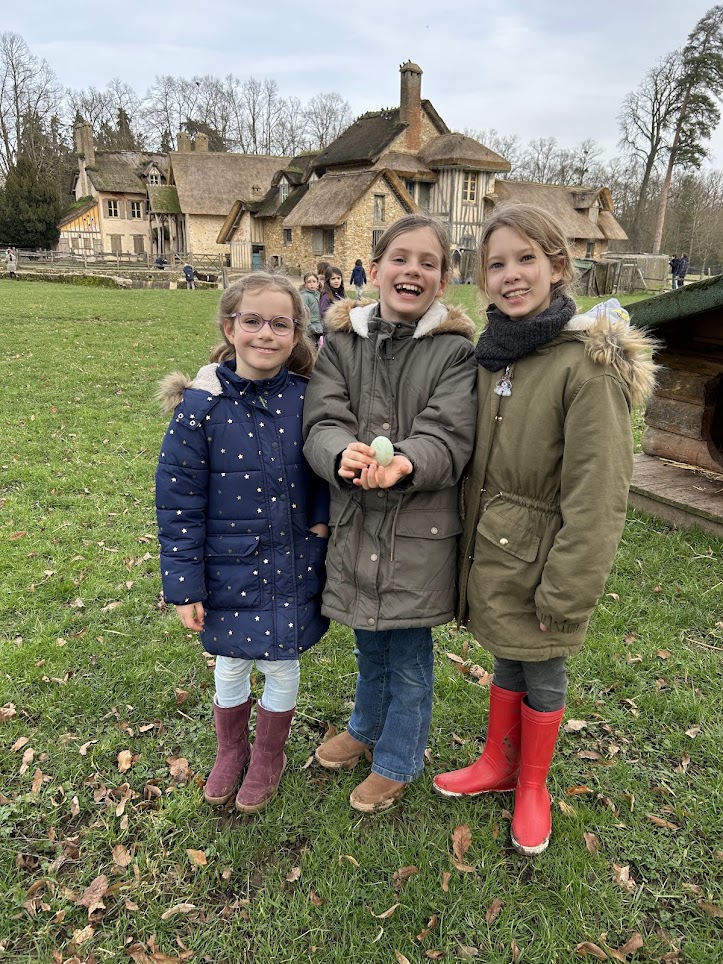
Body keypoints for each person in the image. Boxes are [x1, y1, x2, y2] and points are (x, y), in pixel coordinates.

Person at [432, 203, 657, 856]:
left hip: (545, 560)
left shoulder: (584, 367)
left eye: (525, 259)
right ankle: (497, 763)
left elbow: (598, 496)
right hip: (495, 550)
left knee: (543, 667)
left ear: (557, 267)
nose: (510, 275)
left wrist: (565, 591)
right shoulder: (492, 356)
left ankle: (530, 785)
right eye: (496, 263)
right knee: (506, 654)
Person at [303, 214, 478, 813]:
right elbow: (322, 421)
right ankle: (364, 725)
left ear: (443, 281)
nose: (413, 271)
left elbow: (449, 435)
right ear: (374, 271)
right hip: (357, 522)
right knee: (367, 638)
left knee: (406, 652)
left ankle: (399, 757)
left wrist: (405, 460)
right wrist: (338, 453)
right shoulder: (342, 343)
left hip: (419, 531)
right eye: (400, 259)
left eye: (428, 263)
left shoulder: (455, 354)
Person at [156, 273, 330, 814]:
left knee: (281, 661)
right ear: (230, 327)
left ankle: (269, 754)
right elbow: (178, 503)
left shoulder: (307, 399)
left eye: (281, 323)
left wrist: (321, 523)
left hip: (293, 560)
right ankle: (231, 749)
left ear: (297, 333)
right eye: (252, 321)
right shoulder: (198, 408)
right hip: (225, 566)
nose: (265, 334)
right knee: (229, 662)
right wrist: (184, 588)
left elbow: (326, 466)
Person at [300, 272, 323, 347]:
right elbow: (303, 313)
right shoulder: (305, 296)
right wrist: (310, 326)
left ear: (317, 283)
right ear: (305, 284)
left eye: (314, 281)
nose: (311, 284)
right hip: (311, 330)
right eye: (309, 282)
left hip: (320, 328)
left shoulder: (319, 295)